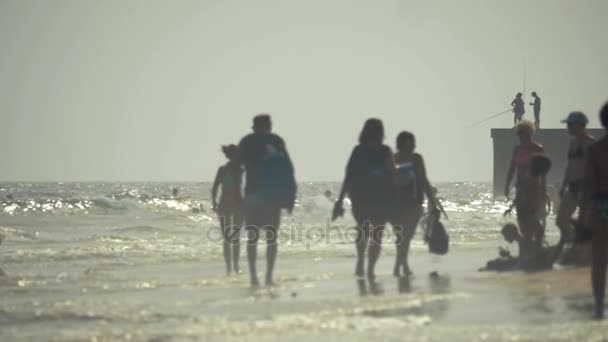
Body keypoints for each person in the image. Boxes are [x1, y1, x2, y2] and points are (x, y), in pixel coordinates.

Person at [333, 118, 396, 282]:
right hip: (381, 197)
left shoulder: (358, 150)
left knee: (362, 230)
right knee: (377, 234)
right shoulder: (385, 150)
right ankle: (370, 270)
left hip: (360, 196)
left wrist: (340, 200)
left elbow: (348, 175)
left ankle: (361, 259)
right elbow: (393, 175)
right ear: (381, 132)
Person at [237, 114, 296, 287]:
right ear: (269, 126)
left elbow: (236, 164)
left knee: (252, 238)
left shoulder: (247, 141)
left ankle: (254, 277)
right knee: (271, 238)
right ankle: (269, 277)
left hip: (253, 194)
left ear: (254, 126)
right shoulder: (276, 141)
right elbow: (289, 167)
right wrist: (291, 195)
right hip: (273, 196)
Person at [391, 131, 438, 277]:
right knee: (401, 236)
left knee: (407, 236)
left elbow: (423, 180)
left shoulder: (417, 159)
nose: (412, 145)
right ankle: (402, 265)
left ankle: (400, 266)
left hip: (415, 203)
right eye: (409, 142)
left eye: (412, 142)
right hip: (396, 204)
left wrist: (432, 199)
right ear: (402, 143)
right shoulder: (393, 159)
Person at [555, 112, 596, 262]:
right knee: (561, 219)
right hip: (572, 187)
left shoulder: (590, 143)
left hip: (586, 187)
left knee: (586, 222)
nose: (568, 127)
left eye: (570, 125)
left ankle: (586, 255)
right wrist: (563, 185)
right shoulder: (573, 143)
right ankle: (573, 242)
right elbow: (570, 165)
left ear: (579, 125)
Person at [582, 102, 608, 319]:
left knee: (598, 261)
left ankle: (599, 306)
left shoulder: (595, 150)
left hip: (600, 206)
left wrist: (582, 218)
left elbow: (589, 187)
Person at [211, 144, 244, 275]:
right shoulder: (240, 169)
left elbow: (214, 188)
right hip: (237, 206)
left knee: (227, 239)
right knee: (234, 238)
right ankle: (234, 266)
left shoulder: (222, 170)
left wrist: (214, 203)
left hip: (224, 205)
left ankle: (229, 268)